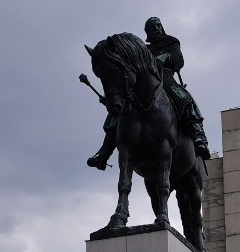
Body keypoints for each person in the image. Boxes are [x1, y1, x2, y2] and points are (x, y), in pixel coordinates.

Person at [87, 17, 212, 170]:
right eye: (152, 28)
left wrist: (165, 57)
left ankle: (199, 138)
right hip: (143, 84)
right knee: (120, 108)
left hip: (165, 78)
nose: (156, 30)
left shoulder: (172, 42)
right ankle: (104, 152)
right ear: (147, 32)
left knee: (185, 99)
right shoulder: (144, 49)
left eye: (158, 26)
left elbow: (179, 60)